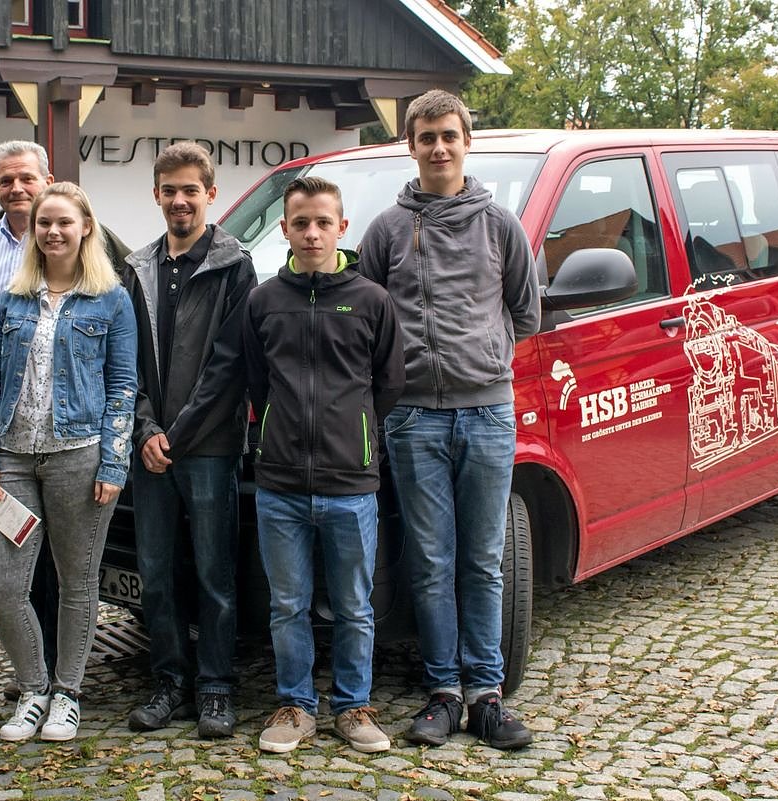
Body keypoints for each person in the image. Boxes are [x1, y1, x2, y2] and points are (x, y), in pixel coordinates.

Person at [356, 89, 541, 750]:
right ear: (410, 145)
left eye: (449, 135)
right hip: (413, 420)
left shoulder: (500, 225)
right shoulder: (384, 230)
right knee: (431, 560)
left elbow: (525, 313)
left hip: (487, 412)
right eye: (427, 137)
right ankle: (443, 693)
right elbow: (370, 319)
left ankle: (487, 694)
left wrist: (480, 358)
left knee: (482, 560)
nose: (438, 147)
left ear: (467, 142)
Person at [0, 141, 130, 694]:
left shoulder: (111, 299)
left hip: (79, 457)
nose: (53, 232)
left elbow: (122, 388)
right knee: (3, 587)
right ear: (33, 231)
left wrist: (115, 462)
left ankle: (67, 693)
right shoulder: (13, 298)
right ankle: (33, 688)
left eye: (64, 222)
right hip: (11, 460)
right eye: (44, 224)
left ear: (85, 229)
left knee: (77, 584)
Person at [243, 177, 404, 754]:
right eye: (300, 223)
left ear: (342, 228)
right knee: (287, 605)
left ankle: (353, 706)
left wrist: (353, 436)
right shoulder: (264, 301)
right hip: (280, 483)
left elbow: (388, 383)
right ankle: (295, 705)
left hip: (350, 483)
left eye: (322, 223)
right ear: (285, 230)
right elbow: (256, 383)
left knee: (354, 607)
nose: (312, 233)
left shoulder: (372, 301)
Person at [122, 141, 256, 738]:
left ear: (210, 194)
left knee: (213, 573)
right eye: (170, 190)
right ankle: (169, 682)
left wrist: (174, 435)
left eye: (190, 190)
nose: (180, 200)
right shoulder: (138, 268)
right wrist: (146, 430)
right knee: (155, 573)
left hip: (209, 448)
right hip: (150, 448)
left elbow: (229, 365)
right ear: (157, 195)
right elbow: (126, 363)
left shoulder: (234, 265)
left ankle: (217, 687)